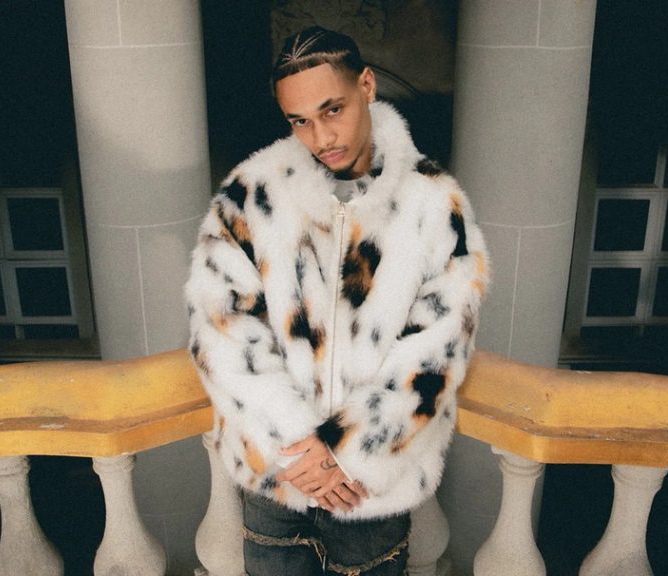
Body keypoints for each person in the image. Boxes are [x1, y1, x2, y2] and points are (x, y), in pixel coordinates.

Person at [184, 25, 489, 576]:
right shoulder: (251, 193)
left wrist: (347, 452)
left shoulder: (432, 203)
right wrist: (297, 444)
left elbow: (438, 350)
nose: (321, 136)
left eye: (333, 109)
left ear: (366, 86)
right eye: (299, 120)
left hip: (368, 490)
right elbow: (220, 326)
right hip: (278, 482)